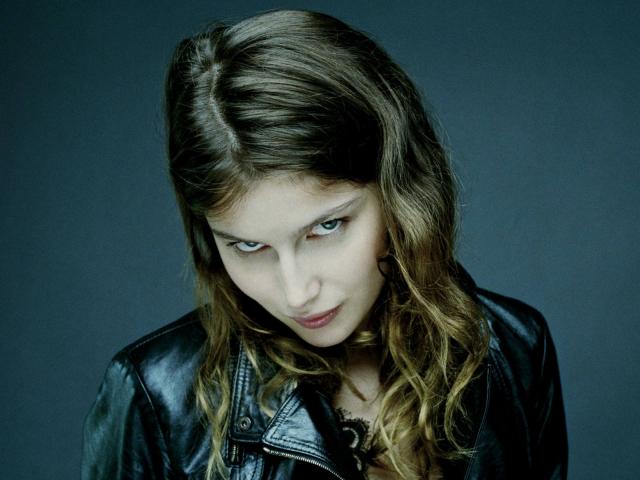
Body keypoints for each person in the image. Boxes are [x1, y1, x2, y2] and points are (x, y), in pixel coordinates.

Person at [81, 9, 568, 480]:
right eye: (248, 246)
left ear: (399, 190)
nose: (296, 293)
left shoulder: (513, 350)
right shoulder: (155, 397)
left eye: (327, 227)